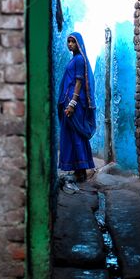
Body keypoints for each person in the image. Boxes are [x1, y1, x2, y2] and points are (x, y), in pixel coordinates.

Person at [58, 32, 96, 182]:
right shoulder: (73, 59)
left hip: (74, 103)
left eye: (73, 42)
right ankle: (77, 169)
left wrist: (73, 103)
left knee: (77, 134)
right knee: (70, 134)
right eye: (68, 42)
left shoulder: (79, 59)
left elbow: (79, 82)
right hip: (68, 101)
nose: (70, 44)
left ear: (78, 44)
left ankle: (81, 170)